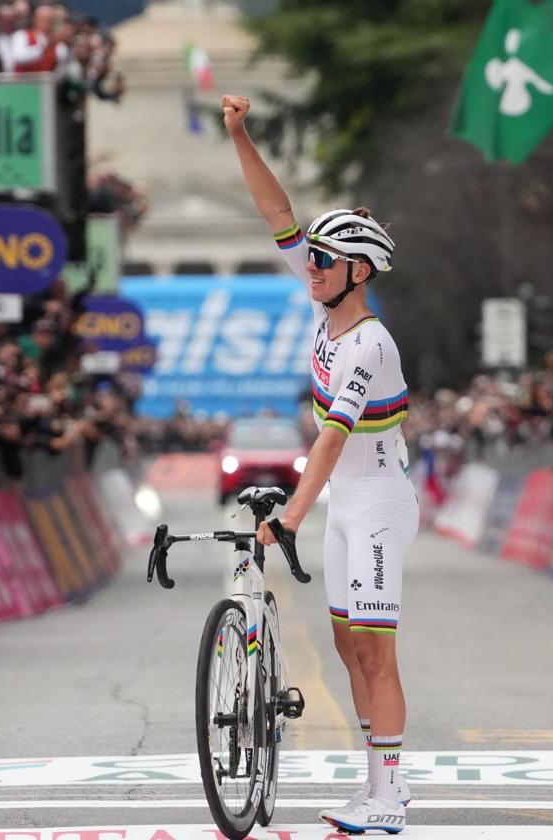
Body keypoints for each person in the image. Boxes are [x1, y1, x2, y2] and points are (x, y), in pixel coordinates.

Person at [225, 93, 417, 832]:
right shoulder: (322, 309)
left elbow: (334, 436)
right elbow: (276, 211)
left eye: (324, 260)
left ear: (359, 272)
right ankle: (380, 786)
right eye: (311, 256)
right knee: (347, 649)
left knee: (375, 653)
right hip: (348, 502)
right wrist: (240, 135)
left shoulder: (369, 342)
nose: (310, 265)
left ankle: (390, 797)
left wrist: (291, 517)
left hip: (375, 505)